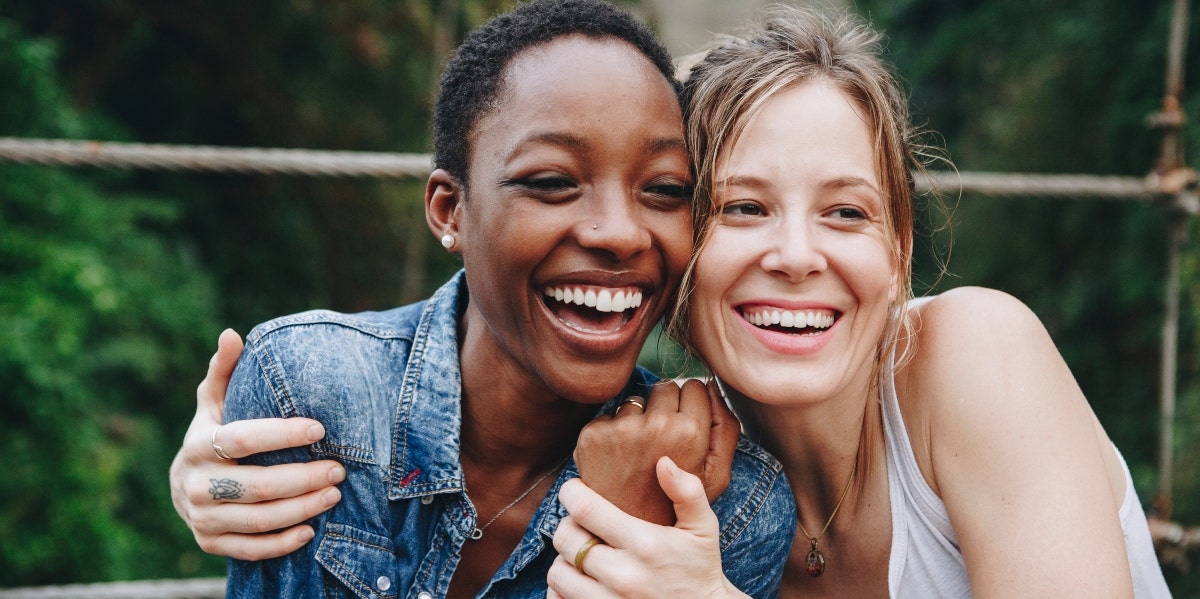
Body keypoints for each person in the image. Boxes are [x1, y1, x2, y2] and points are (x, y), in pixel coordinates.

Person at [168, 0, 796, 597]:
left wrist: (631, 529)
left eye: (664, 189)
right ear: (451, 211)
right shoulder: (309, 392)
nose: (621, 233)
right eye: (551, 181)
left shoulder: (728, 505)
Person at [546, 6, 1172, 598]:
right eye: (743, 208)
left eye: (846, 212)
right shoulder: (696, 476)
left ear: (899, 251)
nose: (796, 255)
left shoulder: (978, 350)